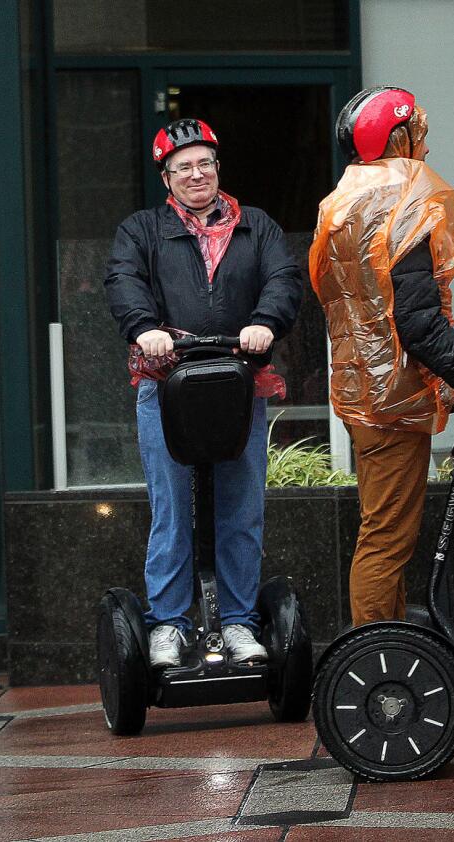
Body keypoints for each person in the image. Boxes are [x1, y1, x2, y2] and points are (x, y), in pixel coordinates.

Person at [104, 118, 304, 667]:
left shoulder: (256, 226)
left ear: (218, 168)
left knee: (241, 509)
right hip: (166, 385)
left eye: (205, 164)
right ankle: (168, 622)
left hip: (239, 384)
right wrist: (145, 328)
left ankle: (238, 623)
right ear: (166, 177)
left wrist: (265, 320)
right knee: (171, 511)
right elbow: (123, 280)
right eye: (183, 167)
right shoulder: (141, 230)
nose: (197, 174)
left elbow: (284, 278)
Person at [311, 86, 454, 626]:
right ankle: (375, 658)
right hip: (392, 400)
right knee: (386, 538)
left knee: (386, 531)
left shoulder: (342, 202)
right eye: (416, 130)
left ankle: (390, 645)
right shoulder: (402, 202)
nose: (424, 139)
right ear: (398, 137)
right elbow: (419, 321)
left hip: (362, 391)